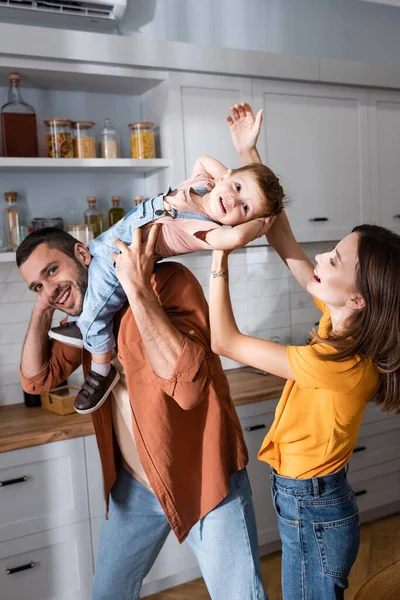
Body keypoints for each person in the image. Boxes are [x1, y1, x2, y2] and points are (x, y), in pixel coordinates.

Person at [17, 121, 274, 598]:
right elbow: (37, 379)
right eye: (37, 284)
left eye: (53, 270)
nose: (50, 288)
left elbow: (189, 384)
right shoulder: (84, 315)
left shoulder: (169, 283)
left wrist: (136, 288)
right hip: (134, 486)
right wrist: (44, 300)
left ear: (82, 253)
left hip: (202, 475)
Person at [208, 105, 400, 599]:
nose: (320, 257)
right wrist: (249, 157)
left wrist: (219, 252)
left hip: (314, 510)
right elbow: (282, 235)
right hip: (304, 501)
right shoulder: (341, 325)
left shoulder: (338, 365)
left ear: (358, 298)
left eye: (333, 258)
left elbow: (224, 340)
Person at [46, 143, 285, 414]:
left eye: (244, 208)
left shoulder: (208, 230)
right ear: (227, 176)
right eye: (239, 188)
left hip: (122, 264)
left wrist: (262, 222)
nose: (233, 200)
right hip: (107, 242)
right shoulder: (201, 184)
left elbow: (236, 238)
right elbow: (204, 158)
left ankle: (101, 370)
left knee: (97, 310)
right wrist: (225, 179)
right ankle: (81, 325)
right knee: (85, 283)